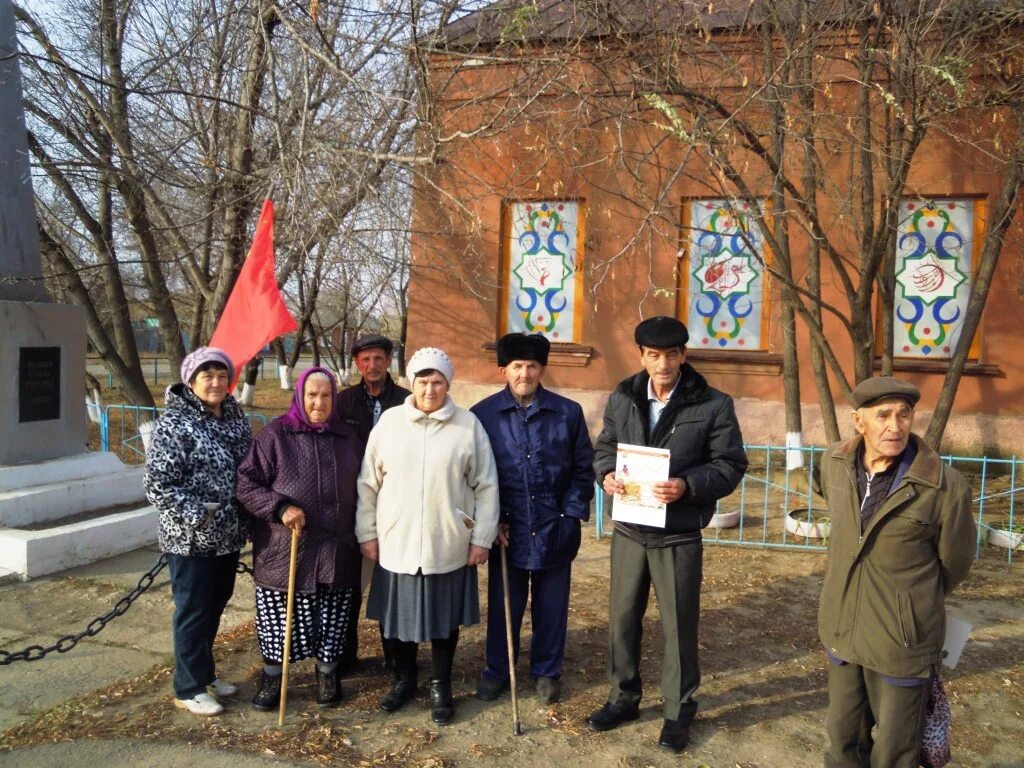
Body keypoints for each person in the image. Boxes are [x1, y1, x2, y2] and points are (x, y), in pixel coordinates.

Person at [587, 316, 747, 752]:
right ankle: (623, 698)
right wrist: (605, 476)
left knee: (678, 625)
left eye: (671, 354)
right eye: (653, 355)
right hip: (630, 531)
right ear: (641, 355)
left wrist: (688, 485)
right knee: (622, 620)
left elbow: (730, 464)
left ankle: (679, 711)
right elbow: (605, 449)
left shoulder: (712, 403)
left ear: (683, 355)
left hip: (677, 534)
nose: (662, 363)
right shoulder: (623, 397)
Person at [816, 376, 976, 768]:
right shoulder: (833, 463)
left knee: (894, 752)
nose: (895, 425)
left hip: (901, 642)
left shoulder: (943, 486)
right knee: (842, 743)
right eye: (883, 415)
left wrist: (908, 603)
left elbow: (954, 563)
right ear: (858, 421)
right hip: (842, 628)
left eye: (904, 415)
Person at [356, 347, 499, 725]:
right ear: (411, 382)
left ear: (447, 384)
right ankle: (403, 679)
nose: (430, 389)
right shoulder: (389, 423)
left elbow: (486, 485)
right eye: (422, 380)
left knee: (443, 619)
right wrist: (367, 533)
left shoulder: (468, 426)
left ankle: (440, 684)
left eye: (437, 382)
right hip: (396, 541)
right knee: (396, 619)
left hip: (447, 542)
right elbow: (368, 483)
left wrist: (481, 537)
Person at [471, 333, 594, 705]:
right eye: (517, 367)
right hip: (506, 529)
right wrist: (491, 520)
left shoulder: (567, 413)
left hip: (555, 524)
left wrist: (570, 513)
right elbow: (476, 475)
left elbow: (583, 469)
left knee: (551, 604)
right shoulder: (482, 416)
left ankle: (546, 670)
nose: (524, 373)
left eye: (531, 366)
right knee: (503, 603)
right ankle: (497, 670)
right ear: (503, 370)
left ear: (542, 369)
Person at [236, 367, 362, 712]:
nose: (318, 402)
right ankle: (273, 679)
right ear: (300, 397)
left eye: (325, 396)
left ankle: (327, 675)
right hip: (285, 546)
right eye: (311, 395)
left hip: (337, 546)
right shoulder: (276, 435)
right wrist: (279, 507)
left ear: (334, 399)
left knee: (333, 619)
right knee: (279, 620)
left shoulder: (348, 438)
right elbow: (246, 483)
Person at [144, 347, 252, 717]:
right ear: (191, 382)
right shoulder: (174, 424)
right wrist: (199, 517)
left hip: (228, 536)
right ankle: (187, 687)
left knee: (214, 607)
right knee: (192, 611)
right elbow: (158, 484)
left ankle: (205, 675)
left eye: (222, 375)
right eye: (207, 376)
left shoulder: (235, 418)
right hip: (190, 540)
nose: (216, 382)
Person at [335, 333, 411, 671]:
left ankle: (395, 659)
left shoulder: (407, 402)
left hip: (397, 503)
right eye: (365, 360)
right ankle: (345, 656)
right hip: (352, 503)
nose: (372, 365)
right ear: (356, 364)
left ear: (388, 361)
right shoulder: (344, 402)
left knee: (392, 584)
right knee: (349, 586)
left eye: (378, 358)